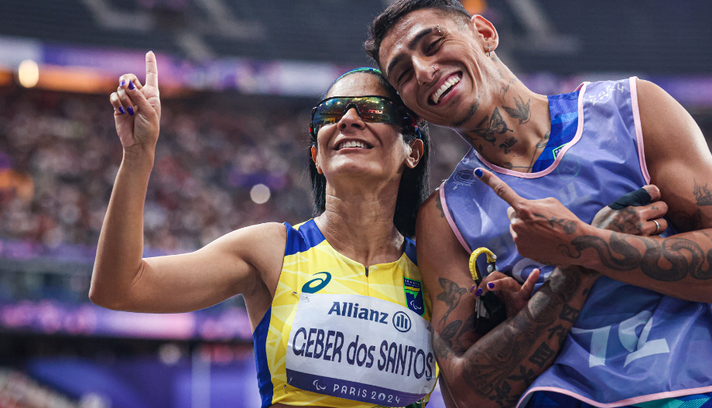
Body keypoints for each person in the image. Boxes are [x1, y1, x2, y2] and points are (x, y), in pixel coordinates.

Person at [364, 0, 712, 408]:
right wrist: (580, 262)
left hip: (692, 396)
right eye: (403, 75)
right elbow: (468, 395)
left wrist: (583, 245)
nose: (425, 71)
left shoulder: (631, 109)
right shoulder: (444, 217)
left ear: (484, 33)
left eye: (433, 46)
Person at [90, 55, 467, 408]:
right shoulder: (271, 250)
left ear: (413, 150)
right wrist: (138, 155)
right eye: (331, 113)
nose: (349, 120)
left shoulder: (436, 271)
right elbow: (120, 288)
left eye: (372, 109)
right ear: (317, 156)